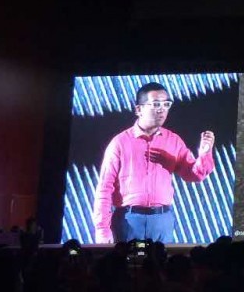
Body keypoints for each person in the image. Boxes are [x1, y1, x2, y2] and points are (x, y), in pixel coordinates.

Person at [92, 82, 215, 244]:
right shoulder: (119, 143)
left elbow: (195, 175)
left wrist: (205, 153)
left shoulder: (173, 140)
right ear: (139, 109)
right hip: (129, 219)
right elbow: (104, 188)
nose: (162, 109)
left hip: (162, 219)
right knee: (129, 260)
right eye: (156, 104)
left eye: (166, 104)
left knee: (161, 260)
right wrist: (102, 229)